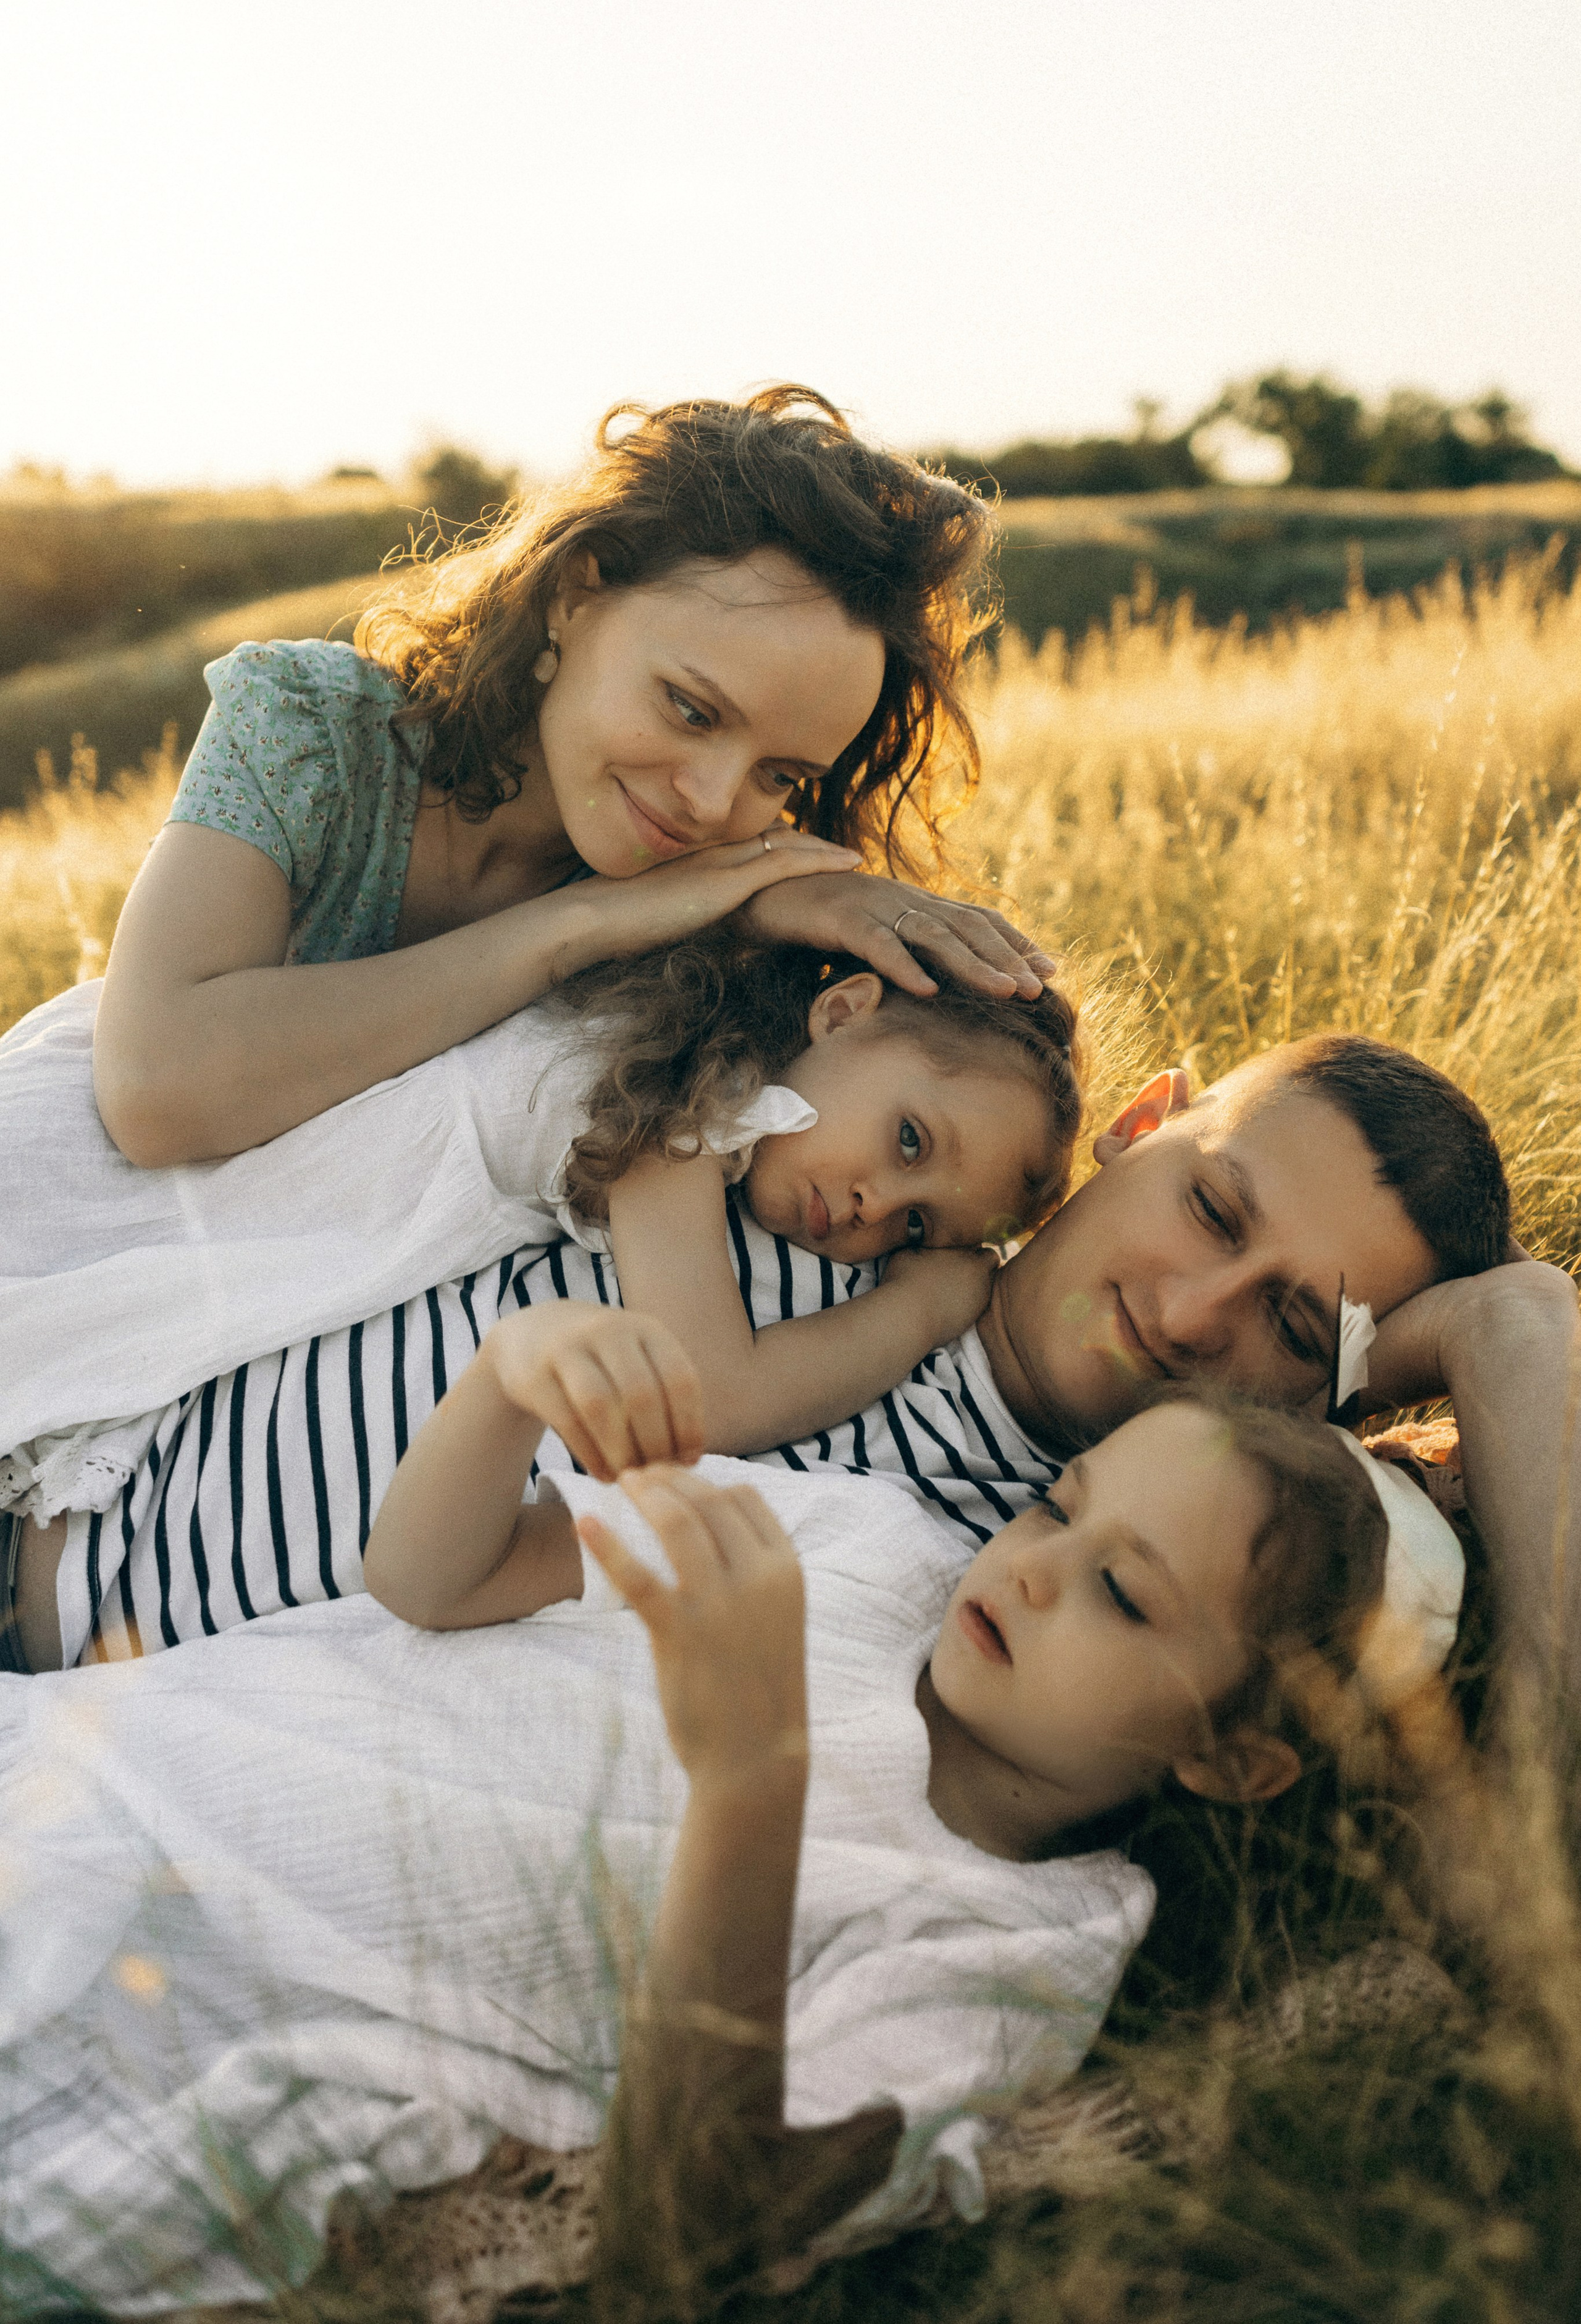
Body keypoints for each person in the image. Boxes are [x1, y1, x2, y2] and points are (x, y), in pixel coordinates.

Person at [0, 1382, 1390, 2310]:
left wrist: (753, 1779)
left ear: (1225, 1758)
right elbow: (437, 1573)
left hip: (226, 2014)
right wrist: (507, 1379)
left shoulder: (1030, 1937)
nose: (1028, 1564)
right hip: (117, 1757)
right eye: (1058, 1505)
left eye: (1119, 1594)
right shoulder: (856, 1545)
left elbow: (701, 2224)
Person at [12, 1029, 1560, 1699]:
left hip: (89, 1706)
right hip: (60, 1439)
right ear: (1141, 1126)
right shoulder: (848, 1179)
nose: (1194, 1307)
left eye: (1293, 1324)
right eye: (1210, 1208)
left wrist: (1489, 1327)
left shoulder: (1055, 1572)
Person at [89, 387, 1055, 1169]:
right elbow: (155, 1089)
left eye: (781, 774)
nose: (714, 803)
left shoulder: (730, 910)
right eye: (691, 708)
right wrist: (570, 930)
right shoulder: (308, 726)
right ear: (576, 592)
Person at [0, 935, 1080, 1570]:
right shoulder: (692, 1103)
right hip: (120, 1195)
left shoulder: (703, 1048)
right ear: (844, 1012)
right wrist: (922, 1306)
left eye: (917, 1226)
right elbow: (716, 1393)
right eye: (907, 1141)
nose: (871, 1211)